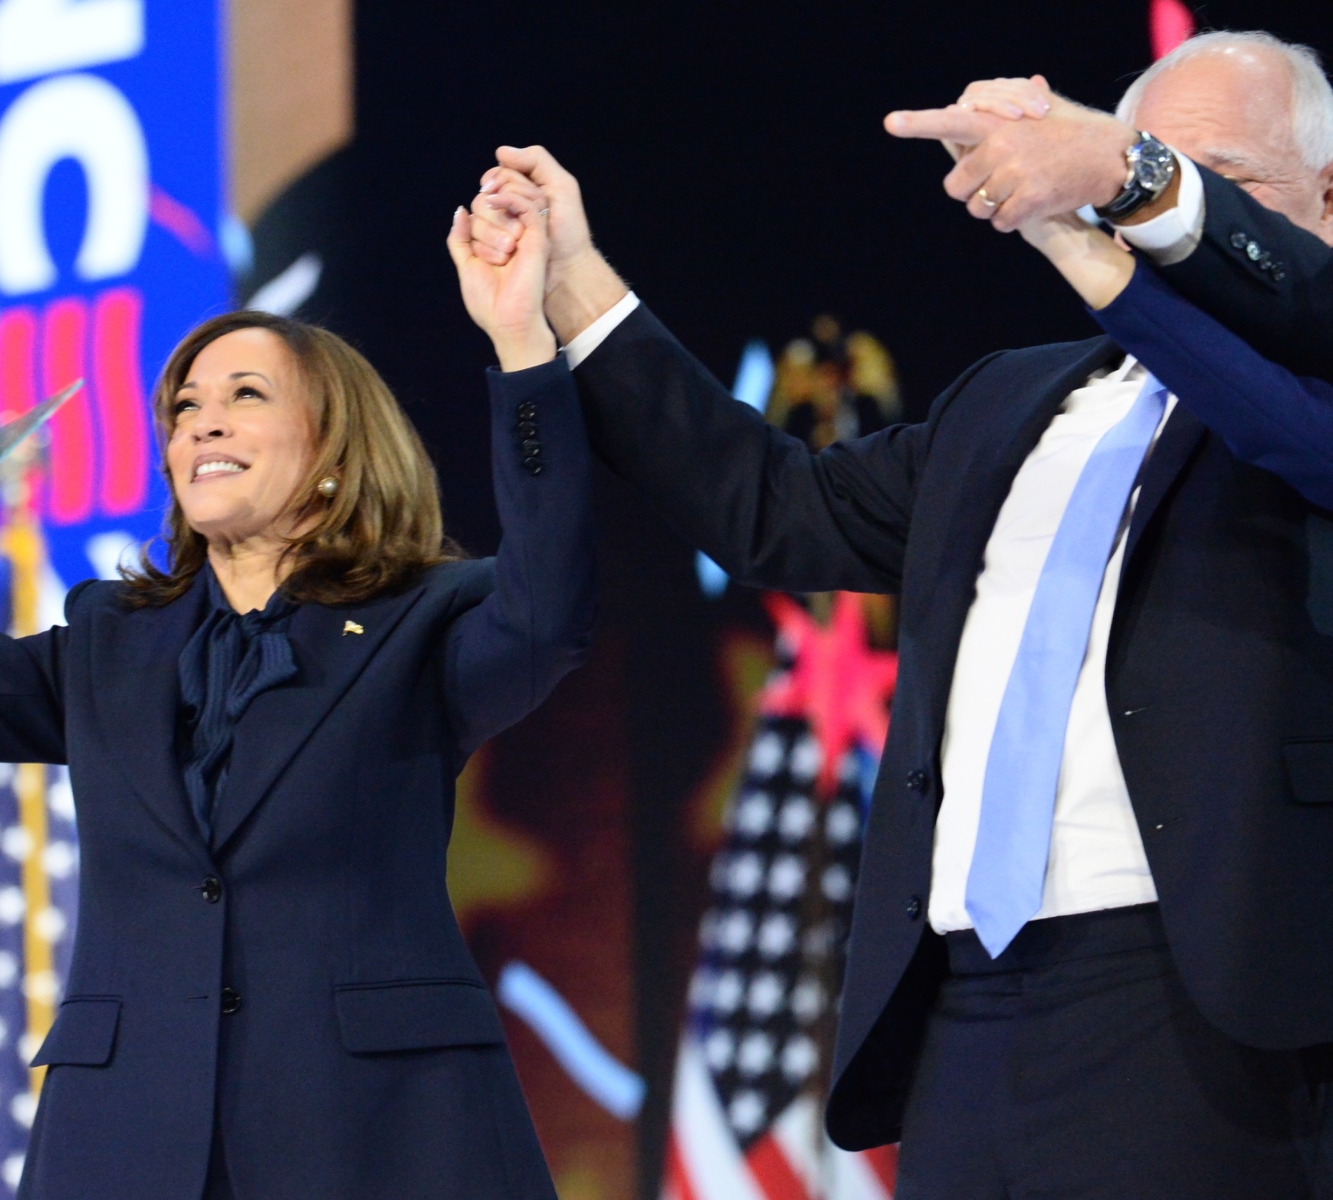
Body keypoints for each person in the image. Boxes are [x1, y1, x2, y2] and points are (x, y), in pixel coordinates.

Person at [466, 31, 1333, 1197]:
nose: (1143, 196)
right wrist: (573, 280)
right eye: (1134, 161)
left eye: (1206, 170)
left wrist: (1107, 201)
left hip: (1200, 999)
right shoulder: (1014, 402)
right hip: (968, 1006)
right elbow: (769, 507)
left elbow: (1286, 417)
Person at [0, 200, 591, 1199]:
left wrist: (522, 347)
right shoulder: (107, 647)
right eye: (183, 406)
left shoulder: (423, 624)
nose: (201, 418)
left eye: (246, 394)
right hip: (127, 1143)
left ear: (336, 454)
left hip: (382, 1137)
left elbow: (550, 609)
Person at [884, 31, 1333, 378]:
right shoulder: (999, 394)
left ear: (1328, 200)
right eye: (1123, 198)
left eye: (1223, 186)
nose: (1156, 219)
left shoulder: (1307, 402)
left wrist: (1118, 167)